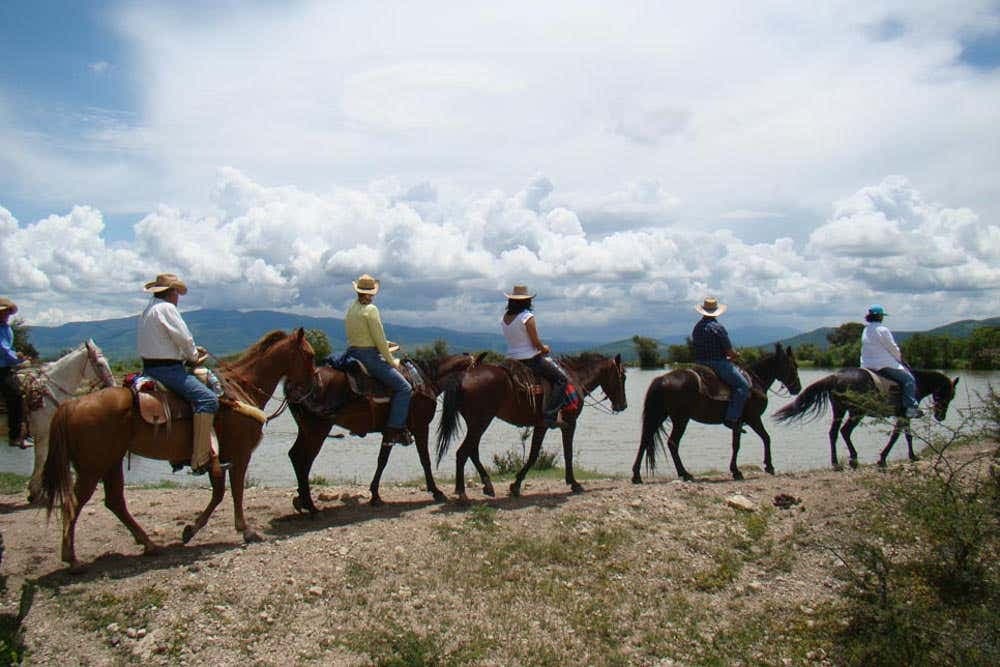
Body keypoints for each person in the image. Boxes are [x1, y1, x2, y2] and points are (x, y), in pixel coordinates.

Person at [137, 273, 226, 477]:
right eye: (177, 292)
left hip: (149, 369)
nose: (178, 297)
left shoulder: (148, 309)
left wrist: (189, 351)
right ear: (172, 292)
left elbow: (164, 342)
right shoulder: (167, 309)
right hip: (169, 370)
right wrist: (194, 355)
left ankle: (177, 453)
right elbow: (184, 338)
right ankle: (200, 458)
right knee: (208, 399)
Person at [345, 274, 412, 446]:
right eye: (372, 293)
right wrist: (390, 360)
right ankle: (394, 430)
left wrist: (386, 342)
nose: (373, 295)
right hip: (369, 357)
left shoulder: (352, 307)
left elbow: (366, 335)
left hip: (352, 352)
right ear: (369, 294)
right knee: (405, 388)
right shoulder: (371, 310)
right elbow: (379, 340)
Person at [500, 284, 570, 429]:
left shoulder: (505, 318)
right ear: (527, 301)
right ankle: (551, 416)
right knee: (561, 380)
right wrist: (544, 348)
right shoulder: (527, 317)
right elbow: (535, 342)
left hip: (511, 360)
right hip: (530, 360)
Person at [692, 296, 750, 431]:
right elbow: (729, 352)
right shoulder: (717, 327)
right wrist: (736, 355)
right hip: (718, 364)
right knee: (743, 386)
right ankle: (732, 418)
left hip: (699, 364)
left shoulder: (697, 327)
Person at [860, 304, 923, 418]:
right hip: (883, 365)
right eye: (881, 316)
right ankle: (910, 408)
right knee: (909, 380)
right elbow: (892, 347)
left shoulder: (866, 329)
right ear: (880, 317)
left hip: (866, 364)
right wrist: (900, 359)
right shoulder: (883, 329)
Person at [0, 298, 28, 448]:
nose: (6, 315)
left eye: (7, 312)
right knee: (16, 395)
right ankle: (14, 435)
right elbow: (3, 350)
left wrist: (17, 358)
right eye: (3, 312)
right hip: (1, 369)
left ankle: (25, 429)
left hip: (6, 367)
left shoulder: (7, 329)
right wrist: (17, 359)